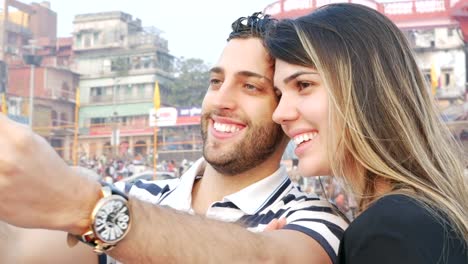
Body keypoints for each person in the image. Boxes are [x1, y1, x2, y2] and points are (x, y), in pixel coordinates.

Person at [0, 12, 348, 264]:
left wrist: (91, 209)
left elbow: (267, 260)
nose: (221, 101)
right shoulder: (139, 194)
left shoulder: (317, 219)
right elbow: (19, 250)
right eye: (215, 82)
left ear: (283, 109)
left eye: (250, 86)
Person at [265, 3, 468, 263]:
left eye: (304, 85)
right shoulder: (421, 216)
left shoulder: (387, 231)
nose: (279, 114)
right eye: (280, 94)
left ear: (366, 90)